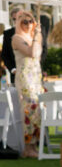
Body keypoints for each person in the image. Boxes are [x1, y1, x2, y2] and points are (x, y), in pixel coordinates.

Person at [12, 10, 43, 157]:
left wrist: (37, 35)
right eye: (24, 21)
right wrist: (36, 37)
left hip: (36, 76)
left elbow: (38, 55)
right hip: (25, 78)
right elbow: (31, 53)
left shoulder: (35, 37)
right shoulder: (17, 38)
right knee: (29, 109)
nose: (28, 24)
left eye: (30, 21)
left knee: (38, 109)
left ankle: (35, 144)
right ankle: (28, 147)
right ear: (18, 23)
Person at [1, 5, 22, 81]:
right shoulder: (7, 34)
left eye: (19, 18)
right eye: (14, 19)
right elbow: (4, 54)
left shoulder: (32, 32)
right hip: (15, 76)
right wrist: (12, 69)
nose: (16, 21)